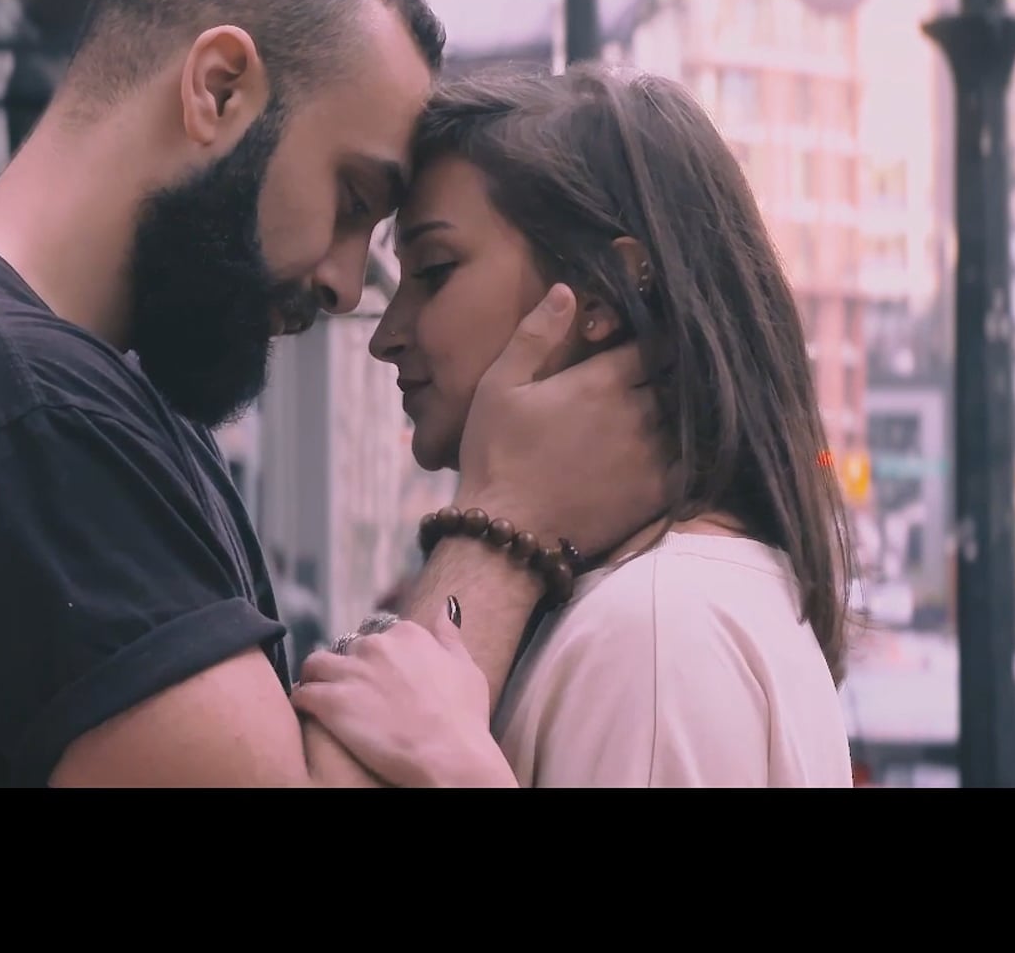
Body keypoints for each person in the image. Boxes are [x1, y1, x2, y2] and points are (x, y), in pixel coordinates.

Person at [0, 0, 669, 787]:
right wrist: (504, 518)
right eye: (351, 201)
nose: (347, 286)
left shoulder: (18, 372)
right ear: (219, 89)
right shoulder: (12, 403)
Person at [292, 65, 860, 788]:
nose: (387, 335)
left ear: (600, 293)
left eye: (434, 270)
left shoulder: (654, 630)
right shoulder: (668, 603)